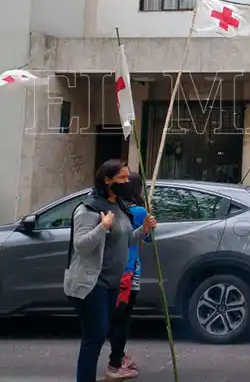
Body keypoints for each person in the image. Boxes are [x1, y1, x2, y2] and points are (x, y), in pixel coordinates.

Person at [64, 160, 157, 382]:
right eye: (122, 178)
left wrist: (143, 231)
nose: (127, 182)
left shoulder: (120, 206)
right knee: (94, 336)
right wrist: (102, 227)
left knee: (102, 330)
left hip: (112, 282)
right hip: (91, 282)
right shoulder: (88, 209)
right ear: (107, 181)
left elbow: (124, 241)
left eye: (127, 178)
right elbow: (81, 246)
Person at [107, 172, 150, 380]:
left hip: (112, 271)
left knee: (115, 318)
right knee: (122, 320)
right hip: (129, 272)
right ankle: (116, 362)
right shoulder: (139, 211)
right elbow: (146, 239)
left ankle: (118, 356)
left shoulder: (114, 209)